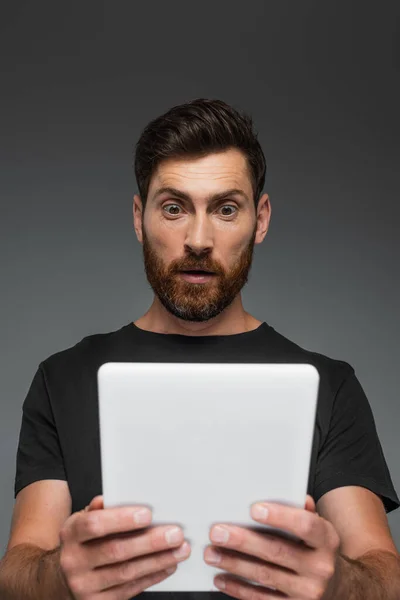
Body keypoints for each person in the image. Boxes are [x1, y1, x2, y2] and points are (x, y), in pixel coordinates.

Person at [0, 98, 399, 600]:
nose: (198, 239)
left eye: (226, 209)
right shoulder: (63, 377)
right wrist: (59, 575)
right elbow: (18, 571)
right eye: (174, 207)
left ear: (262, 219)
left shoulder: (330, 385)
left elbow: (384, 574)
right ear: (138, 217)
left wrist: (339, 581)